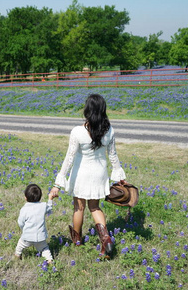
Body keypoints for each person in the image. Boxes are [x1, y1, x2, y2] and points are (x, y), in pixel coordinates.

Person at [50, 93, 126, 259]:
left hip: (81, 174)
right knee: (95, 207)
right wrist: (119, 174)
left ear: (87, 110)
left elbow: (69, 158)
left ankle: (77, 241)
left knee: (79, 207)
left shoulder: (78, 131)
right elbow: (113, 155)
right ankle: (105, 239)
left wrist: (58, 183)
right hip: (99, 175)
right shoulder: (109, 130)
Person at [14, 183, 55, 264]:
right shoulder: (43, 206)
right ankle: (49, 260)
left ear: (25, 198)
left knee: (20, 245)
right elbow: (49, 208)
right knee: (44, 248)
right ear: (40, 197)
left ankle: (17, 255)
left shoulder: (24, 209)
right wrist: (50, 199)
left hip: (27, 236)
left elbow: (20, 222)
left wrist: (23, 229)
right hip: (40, 237)